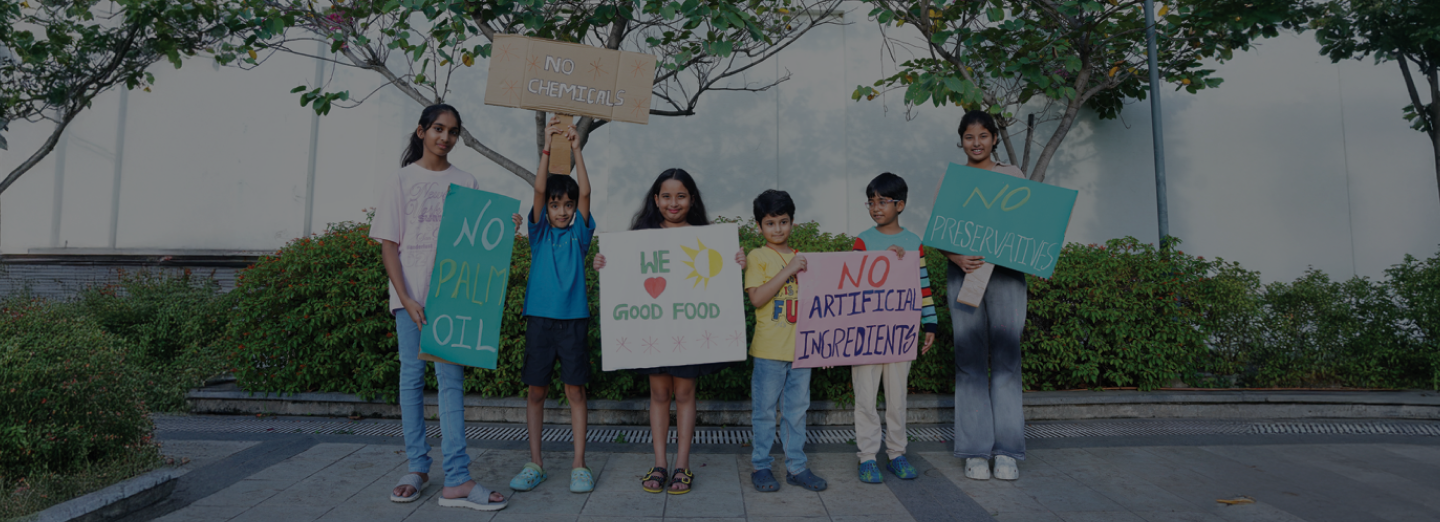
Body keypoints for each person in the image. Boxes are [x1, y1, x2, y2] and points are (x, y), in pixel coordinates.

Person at [373, 104, 508, 510]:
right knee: (411, 380)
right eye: (437, 129)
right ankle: (416, 467)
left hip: (453, 300)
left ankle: (457, 479)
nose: (444, 138)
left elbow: (477, 238)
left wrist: (505, 227)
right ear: (421, 131)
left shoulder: (465, 180)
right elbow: (388, 246)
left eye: (452, 131)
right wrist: (408, 298)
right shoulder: (401, 179)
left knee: (451, 384)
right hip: (409, 300)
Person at [592, 169, 745, 494]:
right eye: (666, 196)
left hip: (689, 333)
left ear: (692, 199)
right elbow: (627, 278)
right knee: (659, 395)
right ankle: (660, 463)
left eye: (681, 196)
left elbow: (717, 277)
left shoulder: (706, 238)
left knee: (686, 394)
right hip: (654, 332)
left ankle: (683, 465)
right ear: (655, 199)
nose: (673, 203)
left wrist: (736, 262)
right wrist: (605, 264)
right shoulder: (641, 236)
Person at [507, 117, 597, 494]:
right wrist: (547, 147)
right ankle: (536, 463)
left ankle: (579, 464)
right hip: (540, 323)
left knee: (576, 391)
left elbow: (588, 193)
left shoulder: (579, 232)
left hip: (573, 321)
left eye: (568, 205)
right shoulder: (539, 231)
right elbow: (539, 191)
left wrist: (576, 146)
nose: (561, 210)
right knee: (536, 392)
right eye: (557, 205)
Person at [942, 110, 1029, 481]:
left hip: (1007, 276)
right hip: (965, 275)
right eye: (968, 136)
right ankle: (976, 451)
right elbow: (939, 230)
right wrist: (955, 256)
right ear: (960, 140)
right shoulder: (953, 179)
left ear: (994, 138)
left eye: (983, 136)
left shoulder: (1012, 176)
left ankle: (1007, 451)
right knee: (969, 361)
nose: (975, 143)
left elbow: (1029, 226)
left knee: (1008, 359)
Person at [849, 173, 937, 483]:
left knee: (898, 396)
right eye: (871, 201)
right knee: (866, 395)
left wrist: (930, 322)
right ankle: (868, 456)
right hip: (866, 333)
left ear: (900, 204)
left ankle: (897, 453)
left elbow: (921, 284)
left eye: (882, 201)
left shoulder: (914, 242)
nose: (875, 207)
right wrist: (883, 261)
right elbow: (853, 282)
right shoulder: (863, 240)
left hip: (901, 332)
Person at [744, 189, 828, 493]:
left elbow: (821, 306)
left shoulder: (803, 259)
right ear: (759, 226)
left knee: (796, 411)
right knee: (765, 411)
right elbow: (757, 297)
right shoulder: (758, 256)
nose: (778, 229)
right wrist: (790, 270)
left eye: (783, 221)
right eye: (770, 223)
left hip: (802, 351)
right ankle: (761, 466)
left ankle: (796, 467)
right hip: (769, 351)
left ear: (792, 222)